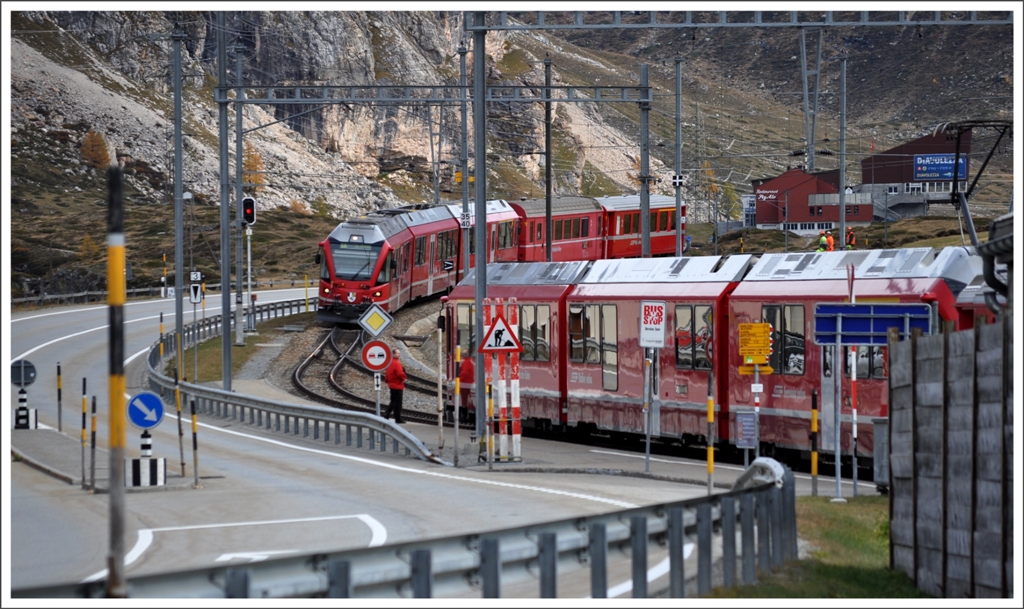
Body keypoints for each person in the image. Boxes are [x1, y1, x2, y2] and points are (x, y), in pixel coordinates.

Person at [383, 348, 407, 423]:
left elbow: (387, 373)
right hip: (397, 385)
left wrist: (387, 381)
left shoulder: (389, 363)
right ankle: (395, 417)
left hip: (391, 385)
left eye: (399, 353)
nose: (399, 354)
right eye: (398, 353)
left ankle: (388, 414)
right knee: (397, 403)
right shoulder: (396, 363)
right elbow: (400, 373)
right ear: (393, 354)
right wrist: (404, 378)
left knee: (393, 401)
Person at [458, 353, 475, 423]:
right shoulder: (469, 362)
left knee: (464, 400)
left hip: (465, 383)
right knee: (466, 399)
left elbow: (464, 373)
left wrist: (459, 380)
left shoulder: (466, 362)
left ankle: (464, 414)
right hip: (469, 382)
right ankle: (465, 413)